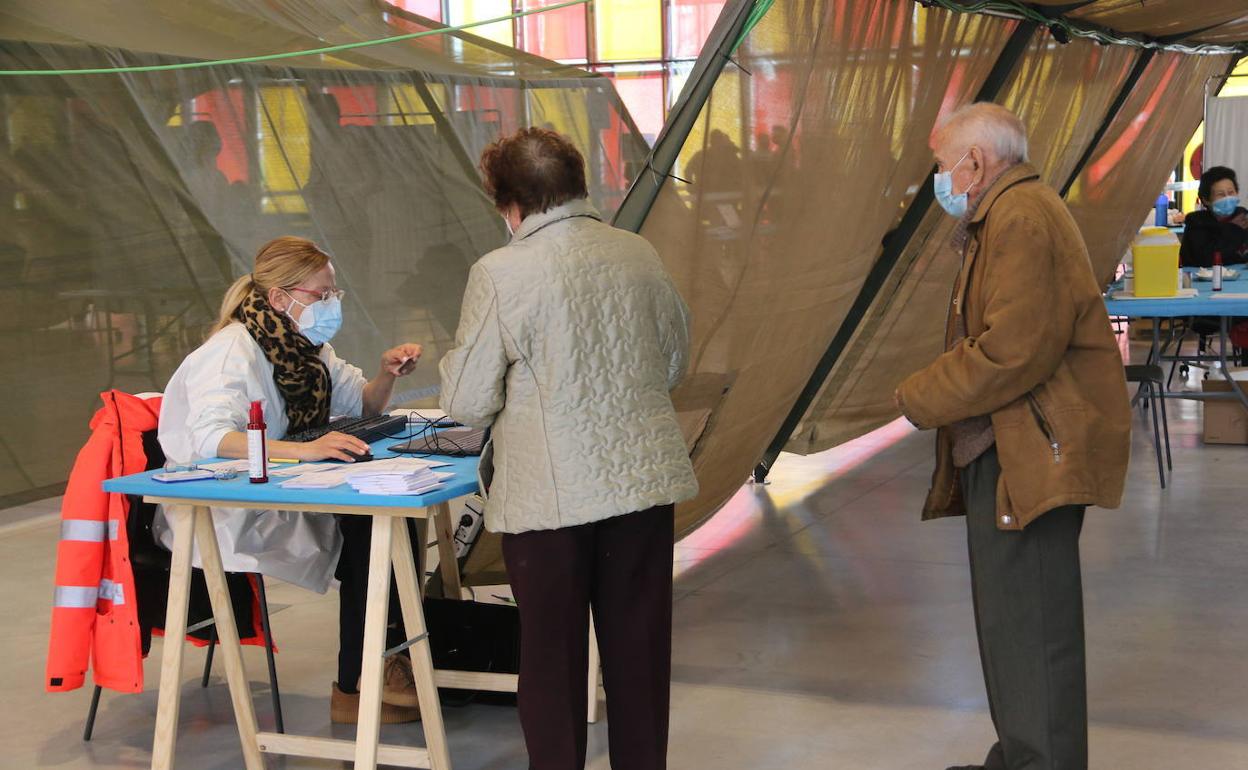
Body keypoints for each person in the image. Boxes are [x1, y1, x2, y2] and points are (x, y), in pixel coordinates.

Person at [439, 127, 698, 770]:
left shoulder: (501, 271)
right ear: (580, 184)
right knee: (639, 656)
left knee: (552, 660)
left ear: (510, 204)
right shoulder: (638, 252)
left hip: (550, 499)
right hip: (641, 482)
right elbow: (672, 363)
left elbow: (468, 402)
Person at [893, 103, 1131, 770]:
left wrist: (917, 396)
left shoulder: (1021, 218)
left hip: (1029, 450)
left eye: (943, 166)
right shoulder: (1007, 213)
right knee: (1011, 624)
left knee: (1032, 626)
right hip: (1014, 447)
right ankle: (1022, 755)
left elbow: (1012, 352)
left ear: (976, 162)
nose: (940, 179)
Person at [158, 236, 427, 724]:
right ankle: (359, 682)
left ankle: (387, 662)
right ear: (281, 298)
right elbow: (213, 439)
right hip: (225, 502)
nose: (331, 303)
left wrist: (388, 374)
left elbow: (360, 405)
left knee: (394, 516)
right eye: (321, 294)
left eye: (334, 293)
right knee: (373, 530)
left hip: (285, 482)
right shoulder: (231, 353)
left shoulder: (306, 347)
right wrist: (307, 449)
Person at [1179, 165, 1248, 267]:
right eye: (1220, 194)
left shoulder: (1242, 216)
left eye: (1231, 192)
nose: (1227, 198)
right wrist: (1233, 229)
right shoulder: (1196, 221)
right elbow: (1205, 259)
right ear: (1206, 200)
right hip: (1204, 280)